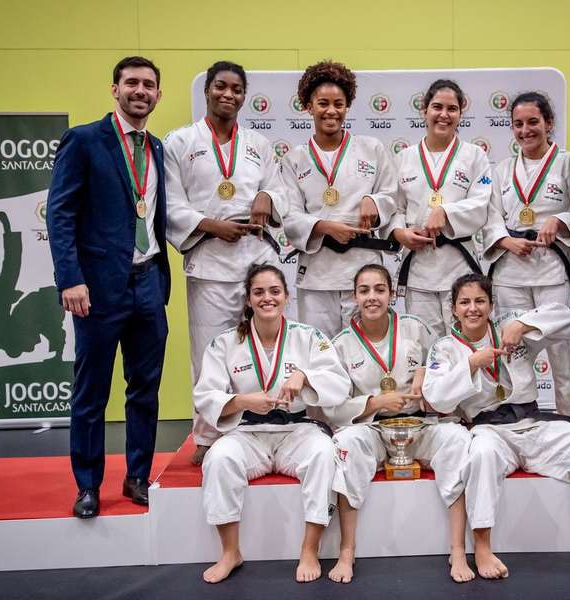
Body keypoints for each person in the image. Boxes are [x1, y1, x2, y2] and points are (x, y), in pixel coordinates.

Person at [423, 274, 570, 577]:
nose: (472, 308)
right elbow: (436, 399)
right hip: (489, 430)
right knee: (480, 456)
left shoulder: (511, 326)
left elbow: (566, 318)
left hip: (533, 422)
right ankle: (483, 548)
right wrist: (472, 364)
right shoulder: (445, 348)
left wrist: (522, 326)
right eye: (464, 302)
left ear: (491, 305)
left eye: (479, 301)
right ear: (453, 308)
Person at [47, 56, 169, 519]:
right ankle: (87, 485)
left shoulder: (156, 147)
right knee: (91, 391)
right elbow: (60, 214)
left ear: (158, 94)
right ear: (114, 89)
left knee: (145, 388)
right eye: (132, 83)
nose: (140, 90)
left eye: (149, 85)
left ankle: (138, 476)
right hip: (96, 289)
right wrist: (70, 278)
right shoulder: (83, 140)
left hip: (148, 285)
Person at [194, 264, 351, 584]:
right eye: (259, 292)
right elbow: (205, 394)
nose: (267, 298)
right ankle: (230, 552)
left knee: (324, 454)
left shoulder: (309, 337)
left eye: (274, 291)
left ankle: (310, 549)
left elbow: (339, 384)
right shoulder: (225, 342)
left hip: (297, 430)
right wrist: (242, 401)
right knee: (219, 459)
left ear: (287, 296)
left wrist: (305, 376)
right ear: (249, 300)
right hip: (247, 432)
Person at [164, 60, 287, 465]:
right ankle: (207, 433)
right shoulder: (179, 142)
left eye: (236, 89)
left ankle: (266, 421)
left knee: (267, 346)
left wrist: (268, 197)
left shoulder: (258, 144)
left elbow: (277, 184)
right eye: (221, 86)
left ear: (244, 96)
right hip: (211, 262)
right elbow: (170, 203)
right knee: (209, 352)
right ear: (208, 91)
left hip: (257, 257)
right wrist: (212, 225)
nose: (228, 94)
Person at [327, 264, 474, 584]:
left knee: (458, 440)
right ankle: (347, 551)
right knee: (345, 445)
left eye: (379, 289)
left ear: (392, 295)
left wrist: (425, 373)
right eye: (364, 291)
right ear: (354, 296)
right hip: (372, 429)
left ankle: (459, 550)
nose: (372, 297)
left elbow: (443, 365)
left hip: (419, 425)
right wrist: (375, 402)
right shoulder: (340, 344)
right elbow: (333, 408)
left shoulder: (415, 327)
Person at [482, 92, 570, 420]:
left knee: (562, 354)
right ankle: (521, 419)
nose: (525, 130)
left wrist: (560, 221)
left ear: (549, 123)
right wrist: (503, 240)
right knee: (514, 352)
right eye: (518, 124)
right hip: (510, 273)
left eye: (533, 122)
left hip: (551, 271)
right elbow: (490, 216)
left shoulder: (568, 163)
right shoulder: (501, 170)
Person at [281, 60, 399, 338]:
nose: (331, 111)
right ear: (308, 107)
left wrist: (375, 201)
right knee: (318, 353)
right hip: (317, 273)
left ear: (348, 106)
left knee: (366, 351)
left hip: (364, 270)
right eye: (323, 103)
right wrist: (323, 227)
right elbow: (289, 215)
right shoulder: (294, 159)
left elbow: (391, 195)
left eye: (339, 103)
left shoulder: (371, 149)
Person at [390, 79, 492, 337]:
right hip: (419, 268)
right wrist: (400, 233)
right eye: (437, 107)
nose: (444, 115)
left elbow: (482, 203)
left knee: (464, 344)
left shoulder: (474, 156)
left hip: (459, 267)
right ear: (424, 109)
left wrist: (445, 212)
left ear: (460, 114)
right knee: (424, 346)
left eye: (452, 109)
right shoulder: (405, 157)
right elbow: (395, 208)